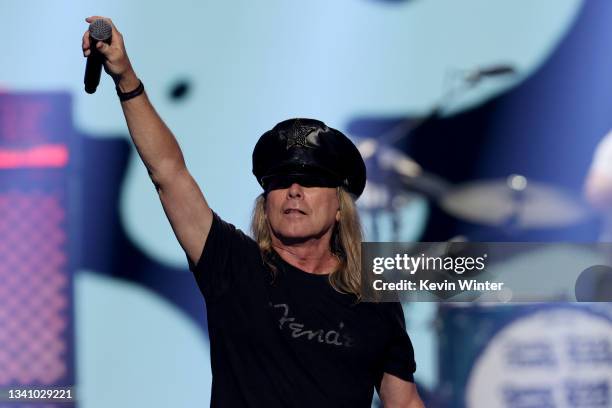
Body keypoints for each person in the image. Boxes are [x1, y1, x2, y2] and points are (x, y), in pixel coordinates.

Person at [82, 16, 424, 407]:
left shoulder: (374, 296)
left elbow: (404, 402)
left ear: (340, 208)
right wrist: (126, 78)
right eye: (280, 183)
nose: (294, 191)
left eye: (310, 183)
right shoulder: (234, 265)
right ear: (266, 202)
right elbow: (168, 174)